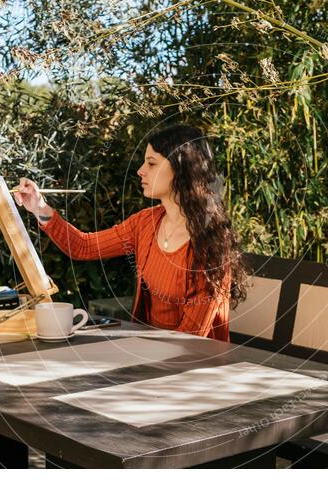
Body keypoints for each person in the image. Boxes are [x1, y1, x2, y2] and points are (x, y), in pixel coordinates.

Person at [14, 123, 249, 341]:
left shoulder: (209, 244)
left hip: (195, 369)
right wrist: (39, 207)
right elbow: (83, 247)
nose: (140, 171)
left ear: (182, 168)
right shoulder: (145, 223)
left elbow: (189, 339)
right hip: (150, 353)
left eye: (152, 163)